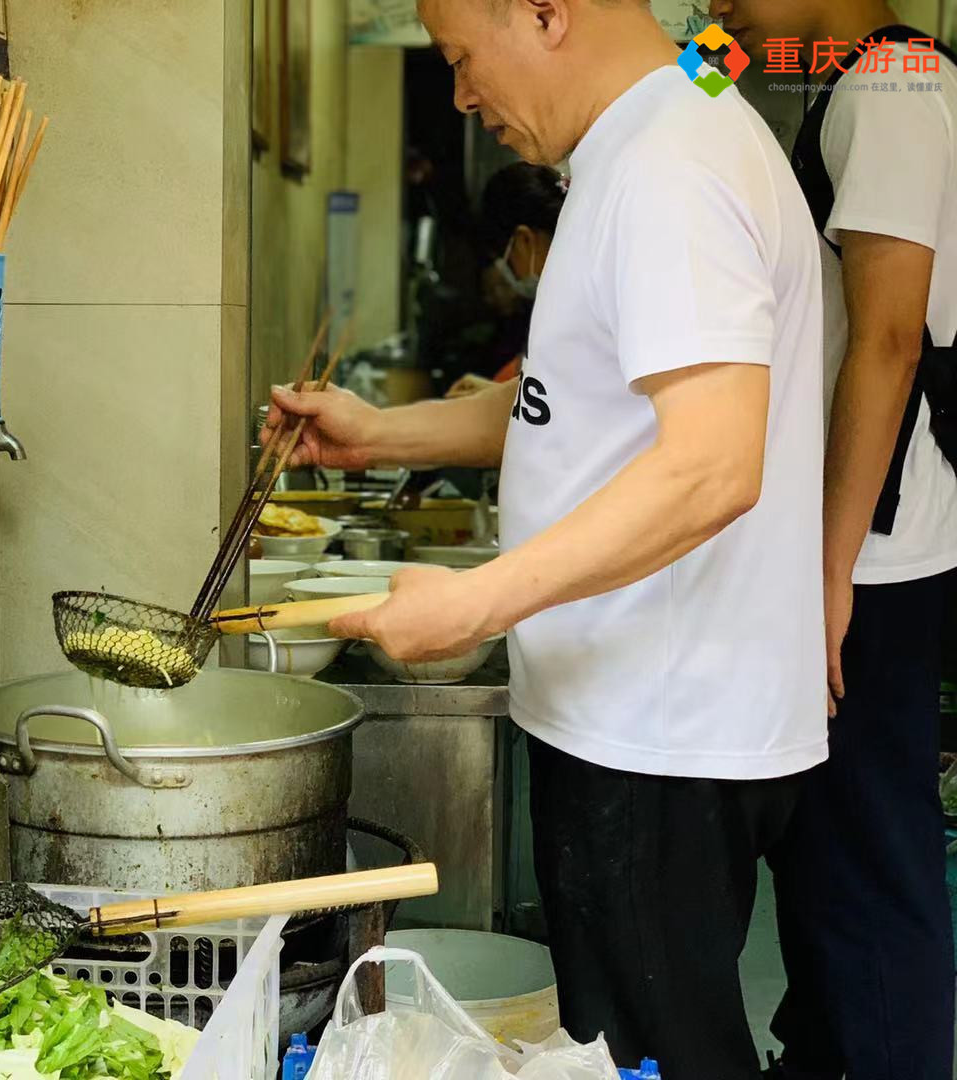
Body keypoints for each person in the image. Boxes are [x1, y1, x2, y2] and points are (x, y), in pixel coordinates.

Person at [264, 1, 827, 1075]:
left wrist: (478, 601)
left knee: (663, 1055)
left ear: (545, 11)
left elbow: (714, 463)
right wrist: (376, 433)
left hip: (659, 730)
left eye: (463, 58)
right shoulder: (641, 148)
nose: (464, 95)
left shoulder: (672, 165)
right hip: (637, 719)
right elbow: (566, 406)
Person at [708, 2, 957, 1077]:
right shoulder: (848, 80)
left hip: (879, 555)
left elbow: (893, 338)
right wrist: (700, 55)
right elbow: (680, 95)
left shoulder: (897, 83)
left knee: (869, 865)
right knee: (826, 859)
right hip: (858, 550)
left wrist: (826, 575)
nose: (717, 10)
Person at [455, 161, 568, 391]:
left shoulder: (578, 304)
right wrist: (496, 394)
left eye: (505, 259)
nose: (509, 275)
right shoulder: (559, 300)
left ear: (524, 240)